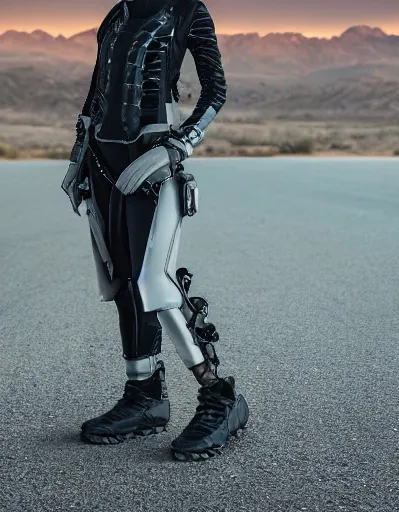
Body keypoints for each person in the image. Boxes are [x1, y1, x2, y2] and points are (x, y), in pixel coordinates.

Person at [61, 0, 249, 461]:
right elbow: (96, 94)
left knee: (153, 280)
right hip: (103, 163)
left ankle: (220, 396)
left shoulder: (188, 10)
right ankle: (144, 397)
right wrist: (77, 157)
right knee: (120, 280)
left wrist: (176, 148)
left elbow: (215, 92)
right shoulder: (118, 13)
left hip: (154, 160)